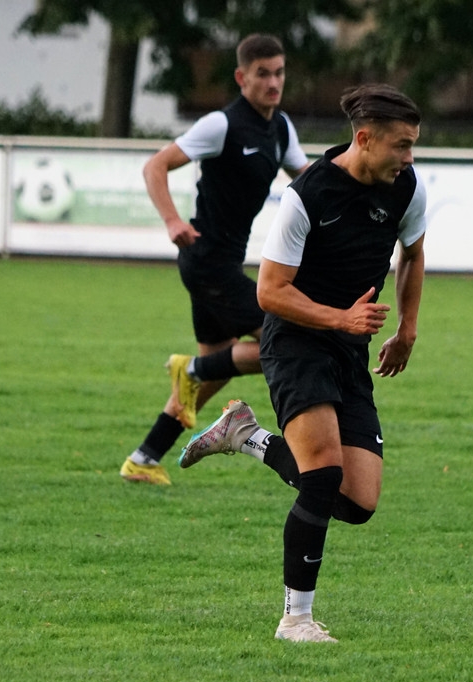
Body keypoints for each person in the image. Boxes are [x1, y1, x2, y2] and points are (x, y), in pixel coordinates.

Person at [177, 84, 427, 643]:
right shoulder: (307, 195)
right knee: (322, 476)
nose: (410, 158)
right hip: (295, 342)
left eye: (413, 145)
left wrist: (408, 328)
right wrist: (341, 318)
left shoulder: (407, 188)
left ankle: (246, 436)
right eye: (402, 145)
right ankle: (295, 619)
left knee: (359, 501)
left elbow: (412, 254)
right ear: (365, 139)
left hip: (347, 349)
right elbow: (269, 291)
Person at [119, 34, 309, 486]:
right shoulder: (221, 125)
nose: (273, 82)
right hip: (207, 262)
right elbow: (155, 166)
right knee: (284, 341)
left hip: (222, 265)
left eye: (279, 72)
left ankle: (144, 458)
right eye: (262, 74)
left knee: (212, 375)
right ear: (242, 77)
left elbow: (308, 180)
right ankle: (190, 369)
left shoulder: (281, 128)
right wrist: (171, 220)